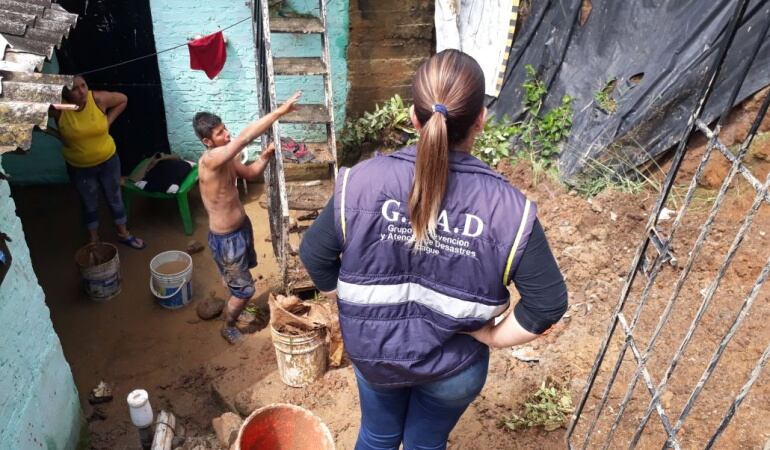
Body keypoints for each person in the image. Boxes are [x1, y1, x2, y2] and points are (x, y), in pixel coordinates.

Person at [299, 49, 568, 449]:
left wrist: (350, 301)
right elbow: (546, 304)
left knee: (377, 435)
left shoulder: (360, 184)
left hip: (376, 355)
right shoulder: (509, 212)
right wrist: (493, 338)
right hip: (454, 368)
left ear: (413, 116)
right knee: (426, 444)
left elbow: (314, 255)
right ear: (481, 120)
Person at [193, 91, 301, 344]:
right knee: (245, 290)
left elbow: (251, 173)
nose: (227, 134)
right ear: (207, 141)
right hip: (226, 239)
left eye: (225, 128)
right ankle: (228, 325)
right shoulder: (210, 160)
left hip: (241, 229)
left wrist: (266, 156)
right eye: (220, 133)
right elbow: (244, 138)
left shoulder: (226, 159)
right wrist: (279, 112)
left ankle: (233, 289)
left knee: (241, 275)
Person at [52, 75, 145, 249]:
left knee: (114, 197)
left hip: (108, 161)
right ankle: (93, 239)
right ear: (65, 92)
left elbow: (123, 100)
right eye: (75, 88)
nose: (81, 91)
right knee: (89, 202)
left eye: (83, 85)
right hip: (80, 167)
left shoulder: (97, 99)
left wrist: (108, 122)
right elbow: (31, 117)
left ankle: (123, 233)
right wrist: (55, 134)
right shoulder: (60, 108)